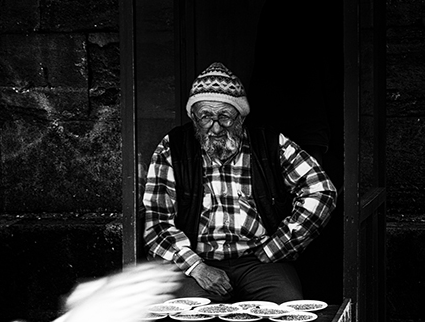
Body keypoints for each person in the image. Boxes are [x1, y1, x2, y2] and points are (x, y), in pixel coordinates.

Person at [142, 62, 336, 304]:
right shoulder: (173, 147)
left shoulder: (270, 143)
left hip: (256, 260)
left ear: (241, 117)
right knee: (190, 316)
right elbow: (158, 224)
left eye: (224, 116)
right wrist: (197, 268)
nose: (215, 127)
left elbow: (321, 191)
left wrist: (278, 246)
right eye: (205, 117)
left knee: (286, 309)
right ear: (193, 117)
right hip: (196, 261)